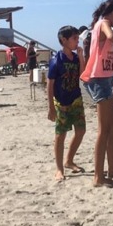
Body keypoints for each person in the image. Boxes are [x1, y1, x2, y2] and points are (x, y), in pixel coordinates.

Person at [80, 0, 113, 187]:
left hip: (105, 78)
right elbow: (110, 36)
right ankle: (98, 177)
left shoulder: (103, 23)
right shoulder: (103, 23)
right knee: (104, 129)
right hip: (98, 79)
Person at [47, 26, 86, 182]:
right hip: (61, 102)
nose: (77, 41)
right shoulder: (57, 60)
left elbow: (83, 75)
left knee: (81, 131)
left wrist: (82, 56)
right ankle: (59, 169)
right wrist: (50, 107)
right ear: (64, 40)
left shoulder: (76, 58)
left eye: (78, 38)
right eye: (74, 38)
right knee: (60, 135)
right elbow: (49, 85)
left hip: (76, 99)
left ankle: (69, 160)